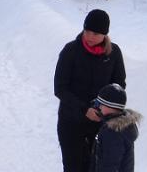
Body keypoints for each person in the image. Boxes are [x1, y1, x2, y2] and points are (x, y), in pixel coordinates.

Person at [54, 9, 126, 172]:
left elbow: (118, 86)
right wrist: (84, 110)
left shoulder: (114, 53)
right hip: (71, 122)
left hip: (101, 124)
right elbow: (60, 88)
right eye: (87, 31)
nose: (90, 36)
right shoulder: (71, 51)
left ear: (104, 34)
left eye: (95, 33)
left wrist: (105, 108)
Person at [89, 84, 141, 172]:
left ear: (110, 106)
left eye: (100, 104)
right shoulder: (122, 128)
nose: (98, 107)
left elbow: (109, 165)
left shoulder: (113, 133)